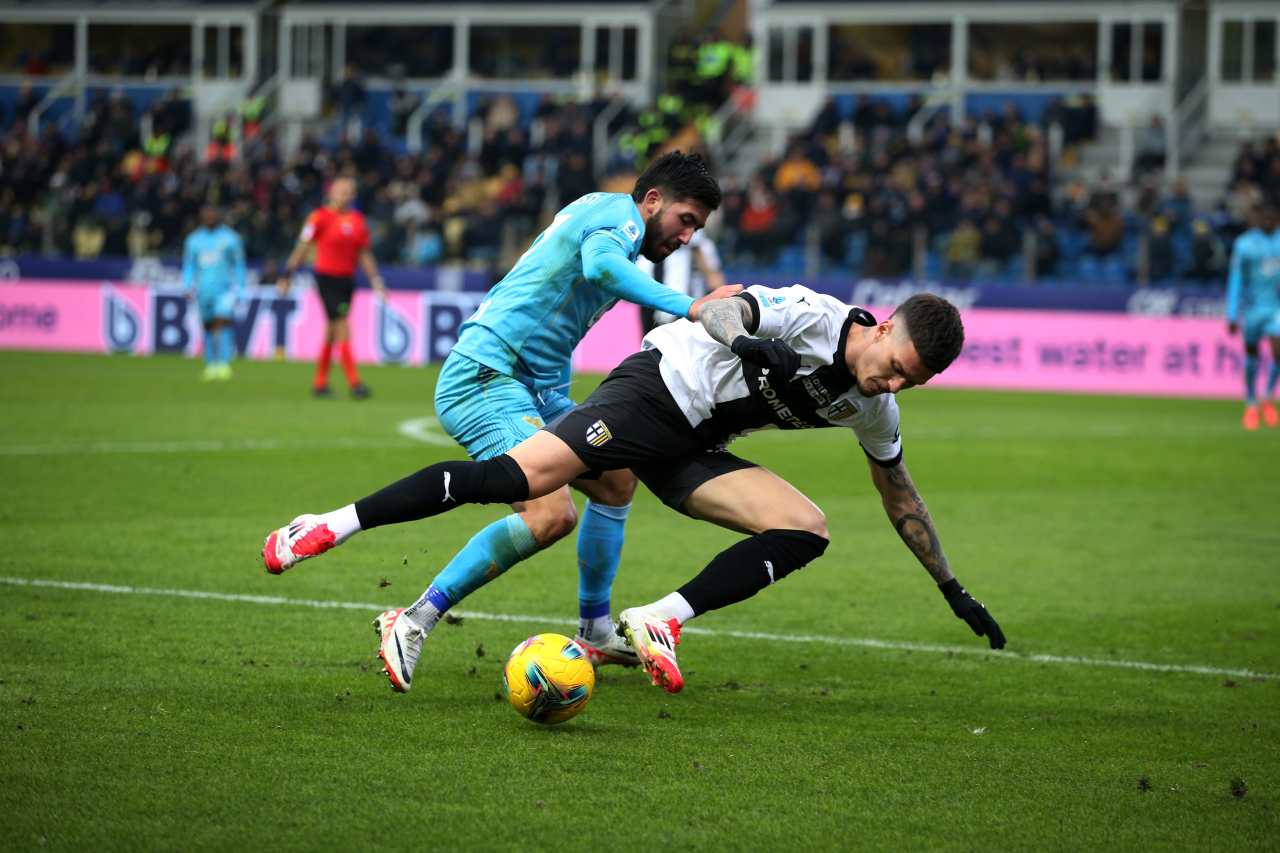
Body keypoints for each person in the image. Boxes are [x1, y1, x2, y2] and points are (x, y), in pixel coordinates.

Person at [260, 288, 1006, 695]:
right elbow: (720, 305)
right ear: (882, 325)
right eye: (895, 365)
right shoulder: (815, 318)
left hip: (692, 445)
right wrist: (747, 340)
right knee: (518, 481)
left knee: (806, 526)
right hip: (653, 393)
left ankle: (657, 619)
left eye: (910, 382)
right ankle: (329, 523)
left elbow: (900, 495)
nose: (893, 383)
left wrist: (951, 587)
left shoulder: (873, 407)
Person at [265, 151, 738, 686]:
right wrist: (694, 306)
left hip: (534, 387)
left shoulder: (604, 213)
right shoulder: (619, 220)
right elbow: (601, 268)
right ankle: (412, 616)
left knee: (615, 481)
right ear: (652, 200)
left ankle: (595, 630)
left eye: (697, 228)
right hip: (487, 375)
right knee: (550, 514)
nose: (687, 237)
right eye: (685, 220)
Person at [278, 176, 386, 399]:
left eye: (349, 192)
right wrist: (287, 274)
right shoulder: (319, 217)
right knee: (342, 324)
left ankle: (320, 384)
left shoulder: (357, 220)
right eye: (341, 191)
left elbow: (364, 254)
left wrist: (376, 280)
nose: (345, 196)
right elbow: (303, 247)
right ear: (331, 193)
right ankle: (355, 383)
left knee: (331, 329)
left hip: (347, 280)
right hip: (327, 279)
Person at [1226, 202, 1280, 430]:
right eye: (1264, 217)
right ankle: (1251, 401)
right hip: (1253, 309)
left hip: (1276, 308)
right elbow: (1236, 279)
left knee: (1278, 347)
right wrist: (1232, 314)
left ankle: (1267, 396)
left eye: (1272, 218)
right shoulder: (1245, 244)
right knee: (1251, 355)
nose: (1268, 221)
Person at [182, 205, 245, 381]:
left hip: (225, 289)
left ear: (218, 216)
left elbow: (239, 264)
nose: (209, 217)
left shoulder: (231, 238)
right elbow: (189, 265)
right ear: (201, 217)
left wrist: (240, 287)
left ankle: (224, 363)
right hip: (203, 290)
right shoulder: (194, 240)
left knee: (223, 322)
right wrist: (187, 285)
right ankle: (211, 364)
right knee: (208, 325)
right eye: (206, 214)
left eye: (212, 214)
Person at [635, 229, 726, 334]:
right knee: (650, 333)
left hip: (679, 293)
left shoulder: (695, 239)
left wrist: (713, 280)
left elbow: (698, 249)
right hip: (648, 290)